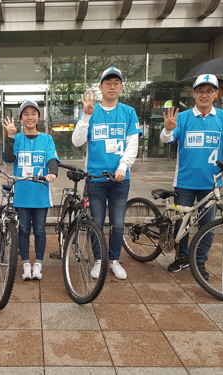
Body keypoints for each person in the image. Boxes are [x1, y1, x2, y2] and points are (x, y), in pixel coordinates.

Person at [161, 74, 223, 280]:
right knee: (182, 224)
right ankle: (182, 257)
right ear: (194, 93)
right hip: (185, 181)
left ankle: (200, 261)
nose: (204, 95)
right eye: (200, 91)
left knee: (207, 225)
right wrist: (167, 129)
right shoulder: (184, 117)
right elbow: (167, 139)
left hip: (211, 182)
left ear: (216, 94)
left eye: (209, 91)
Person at [72, 67, 142, 280]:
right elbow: (76, 141)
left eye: (116, 83)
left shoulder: (128, 112)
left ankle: (114, 260)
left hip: (120, 179)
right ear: (101, 87)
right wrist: (85, 115)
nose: (112, 87)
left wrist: (123, 167)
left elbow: (132, 143)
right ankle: (99, 260)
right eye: (107, 83)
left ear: (121, 87)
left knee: (118, 223)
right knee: (96, 221)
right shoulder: (91, 111)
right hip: (95, 179)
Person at [2, 100, 59, 281]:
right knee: (24, 230)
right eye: (26, 114)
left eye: (33, 113)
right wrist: (10, 137)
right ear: (21, 118)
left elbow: (51, 158)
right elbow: (9, 159)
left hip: (40, 193)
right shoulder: (17, 138)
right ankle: (26, 263)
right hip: (22, 193)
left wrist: (53, 173)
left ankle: (39, 264)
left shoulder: (47, 139)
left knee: (40, 230)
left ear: (38, 117)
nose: (30, 117)